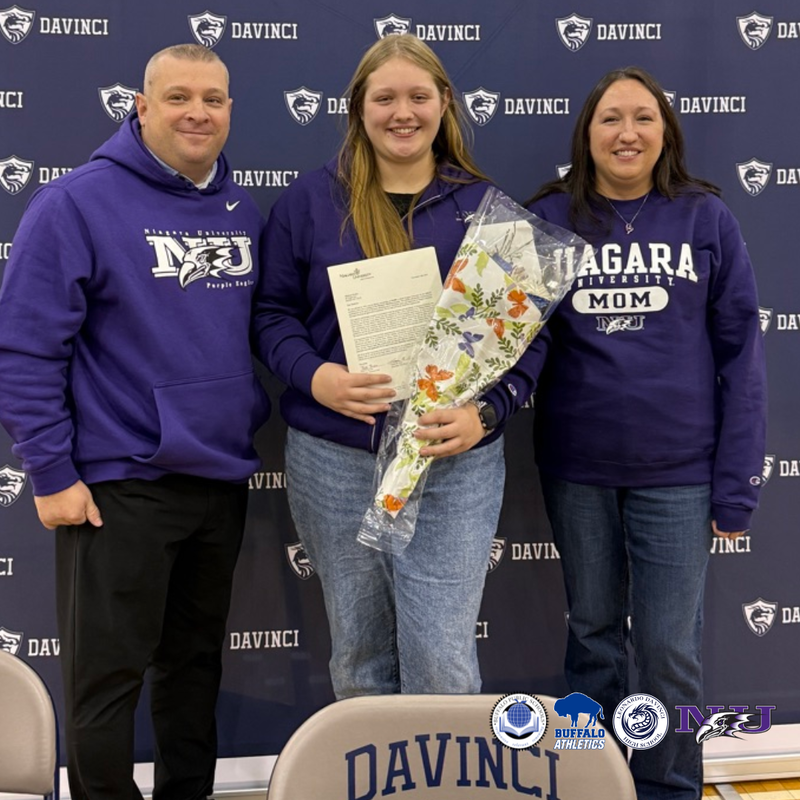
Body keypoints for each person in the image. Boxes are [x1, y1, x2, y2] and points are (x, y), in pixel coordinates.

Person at [0, 44, 269, 799]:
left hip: (217, 482)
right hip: (118, 485)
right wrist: (50, 473)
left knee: (195, 673)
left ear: (228, 112)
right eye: (178, 97)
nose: (198, 112)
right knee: (106, 682)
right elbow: (23, 349)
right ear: (141, 106)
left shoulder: (239, 208)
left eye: (213, 99)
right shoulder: (76, 203)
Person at [254, 35, 534, 698]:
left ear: (444, 104)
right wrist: (315, 376)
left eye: (418, 96)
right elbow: (271, 315)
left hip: (452, 461)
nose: (401, 111)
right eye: (385, 98)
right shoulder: (308, 203)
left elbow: (530, 337)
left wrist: (486, 412)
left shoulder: (484, 208)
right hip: (336, 457)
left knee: (440, 660)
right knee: (359, 657)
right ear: (358, 108)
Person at [526, 67, 767, 799]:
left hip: (680, 474)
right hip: (579, 467)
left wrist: (736, 486)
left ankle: (668, 789)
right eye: (609, 119)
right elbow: (512, 339)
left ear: (666, 132)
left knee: (668, 653)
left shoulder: (705, 219)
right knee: (592, 637)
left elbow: (742, 359)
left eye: (643, 118)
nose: (626, 133)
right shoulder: (548, 219)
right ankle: (586, 783)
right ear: (586, 133)